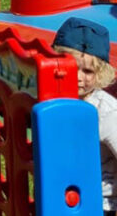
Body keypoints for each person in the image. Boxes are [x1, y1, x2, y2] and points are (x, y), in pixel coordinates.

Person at [52, 17, 117, 213]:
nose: (78, 76)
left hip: (98, 202)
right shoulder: (53, 99)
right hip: (61, 192)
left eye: (88, 71)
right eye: (70, 66)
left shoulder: (107, 112)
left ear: (100, 74)